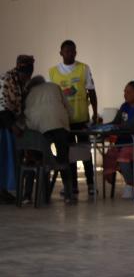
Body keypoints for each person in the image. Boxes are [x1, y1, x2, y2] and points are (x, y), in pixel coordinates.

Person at [49, 40, 98, 196]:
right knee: (68, 154)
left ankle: (90, 184)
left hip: (82, 119)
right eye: (67, 51)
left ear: (76, 52)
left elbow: (92, 92)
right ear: (61, 53)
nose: (70, 53)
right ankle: (72, 186)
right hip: (64, 121)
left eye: (72, 51)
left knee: (85, 152)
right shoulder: (53, 72)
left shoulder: (84, 68)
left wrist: (95, 113)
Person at [23, 75, 75, 204]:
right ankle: (69, 194)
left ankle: (28, 195)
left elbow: (26, 114)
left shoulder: (29, 92)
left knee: (36, 159)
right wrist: (67, 121)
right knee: (63, 160)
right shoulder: (54, 86)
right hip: (59, 124)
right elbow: (69, 108)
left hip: (38, 129)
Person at [0, 55, 34, 204]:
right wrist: (13, 127)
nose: (27, 77)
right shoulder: (7, 80)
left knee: (8, 160)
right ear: (19, 70)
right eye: (25, 74)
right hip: (3, 125)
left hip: (9, 125)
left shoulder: (21, 82)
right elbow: (2, 106)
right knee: (3, 159)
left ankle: (4, 191)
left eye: (29, 74)